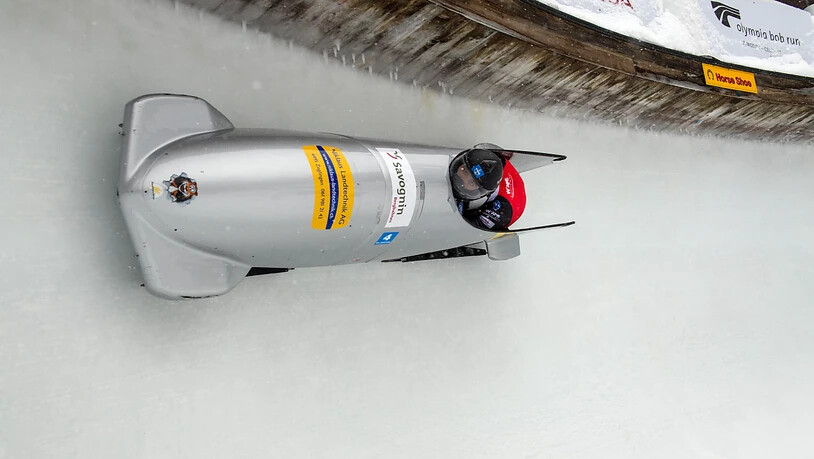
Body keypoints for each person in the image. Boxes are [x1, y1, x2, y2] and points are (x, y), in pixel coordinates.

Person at [450, 147, 526, 231]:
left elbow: (466, 231)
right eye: (464, 171)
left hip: (509, 206)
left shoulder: (503, 212)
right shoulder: (482, 156)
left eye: (471, 183)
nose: (461, 181)